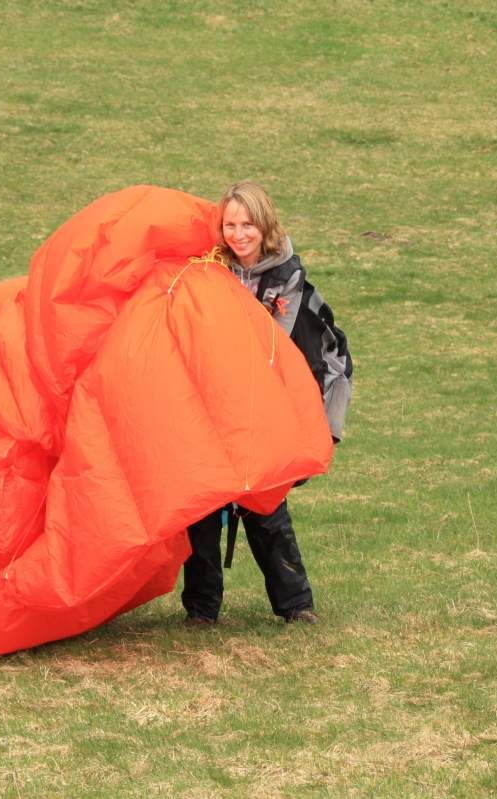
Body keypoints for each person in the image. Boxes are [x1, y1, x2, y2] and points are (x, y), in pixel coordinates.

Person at [182, 180, 334, 627]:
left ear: (264, 225)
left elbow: (274, 342)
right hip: (209, 401)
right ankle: (201, 609)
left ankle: (296, 605)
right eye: (230, 225)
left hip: (260, 402)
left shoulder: (287, 275)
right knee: (202, 504)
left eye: (247, 224)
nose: (239, 234)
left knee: (265, 503)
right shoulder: (208, 266)